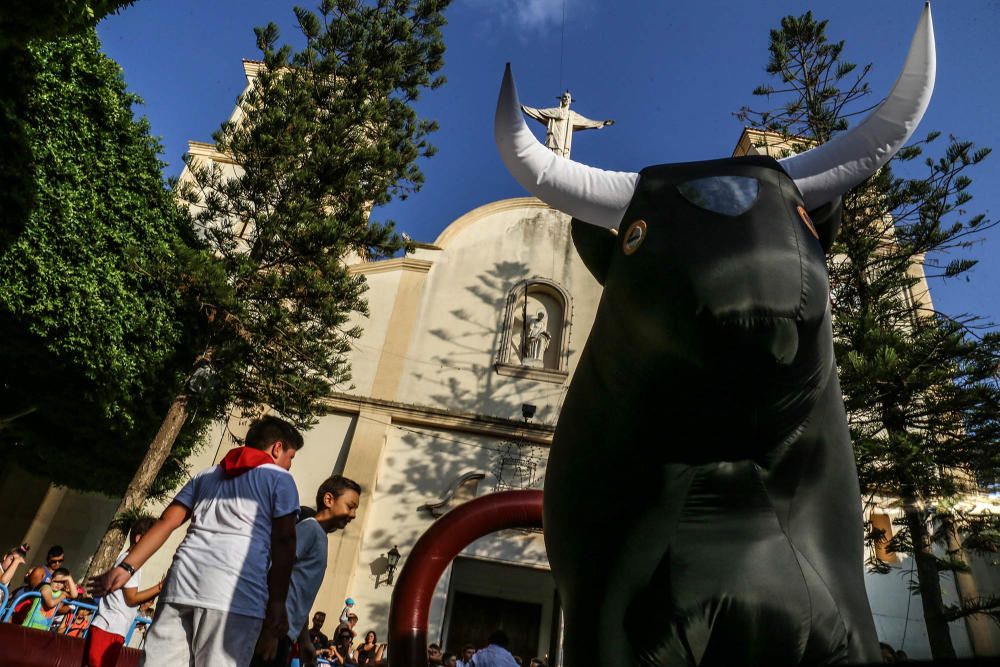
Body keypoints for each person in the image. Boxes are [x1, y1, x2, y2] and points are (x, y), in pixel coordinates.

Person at [89, 415, 303, 667]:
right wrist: (277, 602)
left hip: (181, 586)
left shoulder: (207, 475)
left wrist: (127, 567)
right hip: (235, 596)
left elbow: (167, 522)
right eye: (290, 457)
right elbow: (285, 541)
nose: (289, 465)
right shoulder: (280, 479)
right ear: (277, 448)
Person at [253, 475, 362, 667]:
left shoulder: (321, 537)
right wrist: (270, 629)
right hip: (273, 630)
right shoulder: (309, 529)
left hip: (285, 634)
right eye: (350, 506)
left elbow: (300, 598)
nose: (353, 514)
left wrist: (304, 642)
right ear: (329, 500)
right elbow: (275, 570)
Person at [85, 517, 164, 667]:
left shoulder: (131, 562)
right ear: (139, 538)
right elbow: (131, 598)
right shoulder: (129, 562)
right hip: (109, 627)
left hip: (113, 629)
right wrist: (159, 588)